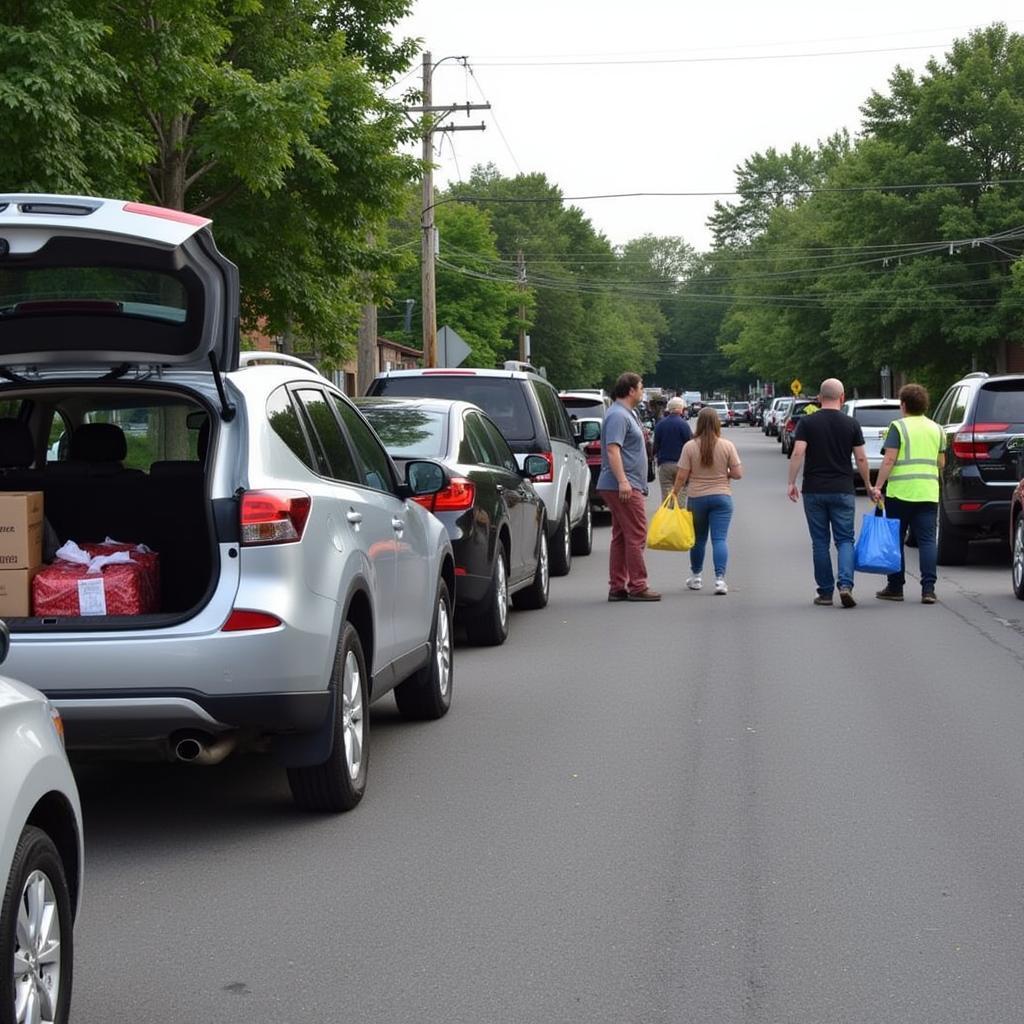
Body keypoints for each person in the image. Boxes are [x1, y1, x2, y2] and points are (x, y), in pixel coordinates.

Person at [787, 378, 872, 607]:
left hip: (814, 489)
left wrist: (791, 482)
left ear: (820, 398)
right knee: (845, 539)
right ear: (842, 397)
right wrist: (869, 484)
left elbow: (798, 453)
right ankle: (845, 585)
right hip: (843, 489)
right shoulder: (851, 424)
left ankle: (825, 593)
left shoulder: (807, 422)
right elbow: (861, 458)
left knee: (820, 542)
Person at [868, 383, 946, 604]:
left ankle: (895, 587)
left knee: (895, 540)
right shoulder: (937, 429)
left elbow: (889, 459)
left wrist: (878, 486)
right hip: (928, 493)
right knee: (928, 541)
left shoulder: (898, 427)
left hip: (900, 493)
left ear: (903, 405)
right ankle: (928, 589)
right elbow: (941, 462)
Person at [597, 372, 660, 602]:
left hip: (626, 483)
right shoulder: (617, 416)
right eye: (641, 388)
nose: (643, 392)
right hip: (622, 485)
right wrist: (623, 480)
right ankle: (637, 585)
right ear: (631, 390)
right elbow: (613, 449)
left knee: (622, 535)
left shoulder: (627, 413)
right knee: (637, 533)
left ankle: (617, 586)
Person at [670, 406, 742, 595]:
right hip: (722, 497)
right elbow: (737, 473)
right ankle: (720, 580)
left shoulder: (690, 446)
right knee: (719, 539)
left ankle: (696, 578)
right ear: (718, 423)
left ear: (699, 423)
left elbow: (681, 476)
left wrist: (675, 494)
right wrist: (724, 472)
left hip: (697, 498)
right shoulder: (727, 446)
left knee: (698, 540)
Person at [653, 396, 693, 501]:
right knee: (681, 493)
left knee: (666, 494)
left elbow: (656, 444)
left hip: (665, 464)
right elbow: (689, 444)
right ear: (680, 409)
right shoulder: (684, 425)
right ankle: (678, 514)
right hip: (682, 464)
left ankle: (668, 514)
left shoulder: (660, 424)